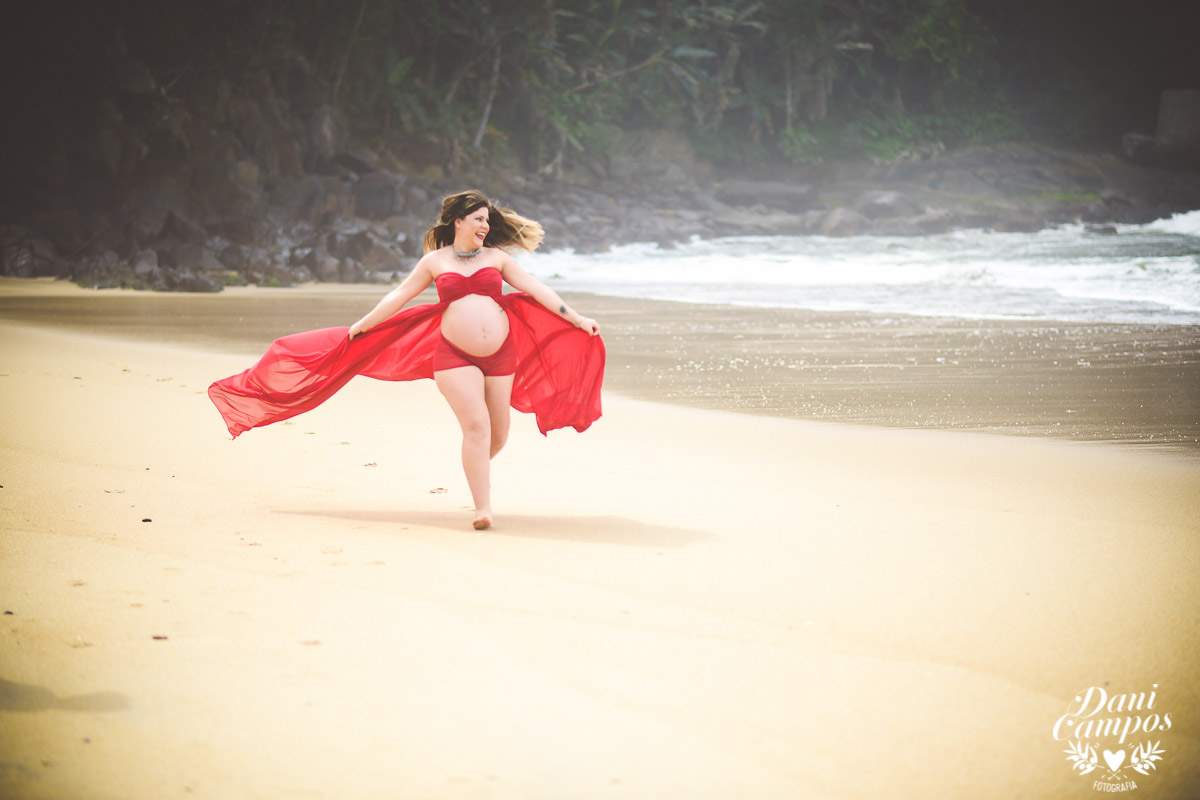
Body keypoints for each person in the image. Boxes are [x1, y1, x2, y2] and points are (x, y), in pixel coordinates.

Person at [209, 190, 605, 530]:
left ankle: (474, 469)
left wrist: (578, 318)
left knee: (498, 434)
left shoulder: (498, 258)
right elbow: (398, 297)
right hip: (454, 355)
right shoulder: (434, 262)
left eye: (488, 221)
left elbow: (537, 289)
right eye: (479, 219)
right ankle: (482, 508)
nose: (485, 226)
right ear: (457, 221)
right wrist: (361, 325)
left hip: (502, 356)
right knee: (477, 426)